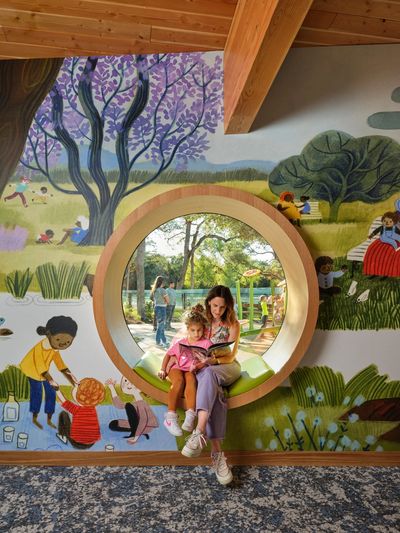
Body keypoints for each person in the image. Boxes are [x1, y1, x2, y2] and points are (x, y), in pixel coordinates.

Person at [181, 285, 241, 485]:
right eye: (215, 306)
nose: (218, 310)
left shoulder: (233, 324)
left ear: (228, 306)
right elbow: (187, 340)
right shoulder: (202, 322)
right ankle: (217, 454)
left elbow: (231, 355)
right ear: (208, 303)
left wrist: (210, 361)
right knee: (212, 385)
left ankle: (198, 433)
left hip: (228, 367)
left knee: (209, 375)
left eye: (222, 307)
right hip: (205, 370)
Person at [158, 304, 211, 437]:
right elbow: (168, 355)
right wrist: (162, 369)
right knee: (179, 381)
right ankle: (170, 418)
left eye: (199, 330)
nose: (196, 334)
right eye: (193, 330)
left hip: (191, 369)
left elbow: (211, 358)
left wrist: (202, 363)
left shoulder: (206, 343)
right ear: (188, 329)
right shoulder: (181, 342)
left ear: (203, 329)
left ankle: (191, 415)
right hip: (176, 367)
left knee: (191, 380)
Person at [19, 316, 79, 429]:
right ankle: (35, 417)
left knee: (51, 393)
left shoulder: (54, 349)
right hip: (32, 371)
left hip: (43, 372)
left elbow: (61, 366)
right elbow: (41, 367)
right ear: (48, 334)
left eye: (68, 342)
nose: (63, 344)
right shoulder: (40, 347)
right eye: (58, 340)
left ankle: (49, 419)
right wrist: (51, 380)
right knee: (37, 393)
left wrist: (74, 382)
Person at [106, 376, 159, 444]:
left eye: (131, 381)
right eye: (125, 381)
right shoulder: (134, 403)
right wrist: (112, 388)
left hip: (146, 426)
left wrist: (135, 438)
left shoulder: (141, 403)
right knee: (113, 424)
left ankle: (134, 432)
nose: (128, 384)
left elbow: (143, 420)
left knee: (128, 406)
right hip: (137, 424)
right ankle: (134, 430)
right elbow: (119, 405)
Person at [56, 378, 105, 449]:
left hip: (76, 442)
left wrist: (57, 390)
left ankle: (62, 436)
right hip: (92, 443)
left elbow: (64, 402)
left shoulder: (77, 409)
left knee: (63, 414)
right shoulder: (92, 409)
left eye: (77, 387)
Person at [150, 276, 169, 348]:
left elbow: (153, 299)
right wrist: (165, 302)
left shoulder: (154, 290)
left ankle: (163, 341)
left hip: (157, 308)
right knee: (160, 326)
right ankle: (158, 341)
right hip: (162, 308)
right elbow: (168, 300)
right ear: (162, 282)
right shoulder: (163, 290)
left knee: (161, 325)